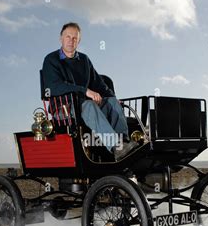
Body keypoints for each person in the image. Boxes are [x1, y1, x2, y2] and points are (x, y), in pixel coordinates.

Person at [41, 22, 138, 161]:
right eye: (68, 36)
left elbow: (98, 83)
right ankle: (116, 146)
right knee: (89, 105)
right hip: (64, 109)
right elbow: (53, 87)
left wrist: (112, 97)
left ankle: (124, 143)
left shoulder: (84, 60)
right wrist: (85, 91)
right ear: (60, 38)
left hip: (85, 107)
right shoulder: (51, 60)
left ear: (78, 41)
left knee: (111, 102)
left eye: (75, 38)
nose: (71, 40)